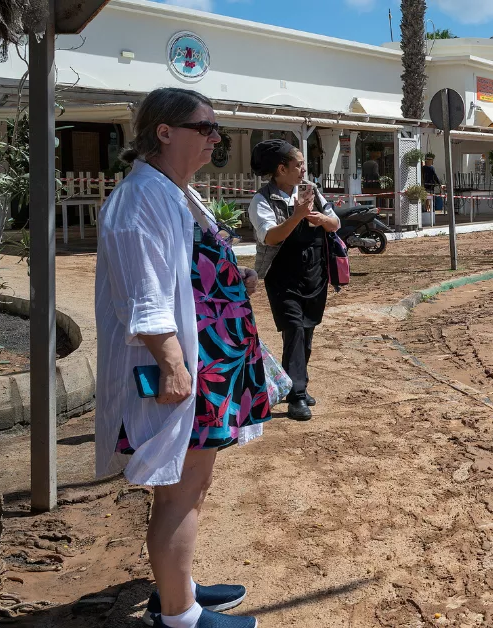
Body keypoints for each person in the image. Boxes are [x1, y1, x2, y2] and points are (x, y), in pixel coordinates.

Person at [95, 87, 267, 628]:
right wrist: (172, 364)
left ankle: (179, 586)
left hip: (212, 363)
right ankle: (179, 616)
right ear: (164, 132)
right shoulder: (141, 198)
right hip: (183, 368)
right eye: (206, 127)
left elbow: (183, 272)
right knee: (179, 492)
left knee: (192, 485)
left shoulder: (173, 191)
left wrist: (231, 278)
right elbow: (142, 293)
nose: (216, 138)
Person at [248, 140, 341, 421]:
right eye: (298, 165)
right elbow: (270, 237)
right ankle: (296, 395)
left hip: (314, 273)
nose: (303, 170)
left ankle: (296, 384)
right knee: (294, 330)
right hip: (282, 276)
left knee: (307, 331)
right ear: (281, 169)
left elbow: (335, 224)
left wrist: (319, 218)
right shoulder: (262, 200)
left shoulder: (311, 191)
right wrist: (298, 215)